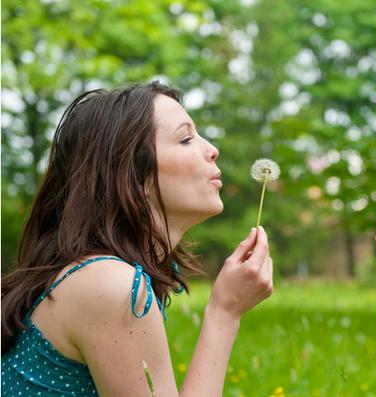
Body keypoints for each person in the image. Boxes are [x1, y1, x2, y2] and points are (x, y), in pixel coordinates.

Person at [1, 82, 274, 396]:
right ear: (134, 176)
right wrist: (224, 312)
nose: (212, 149)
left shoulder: (93, 274)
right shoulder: (109, 284)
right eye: (186, 138)